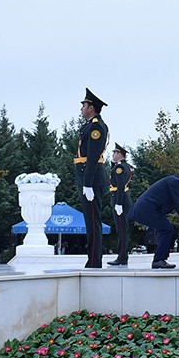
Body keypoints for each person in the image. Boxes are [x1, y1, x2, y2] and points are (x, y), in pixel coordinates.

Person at [128, 170, 179, 269]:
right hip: (146, 209)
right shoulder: (176, 182)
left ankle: (159, 259)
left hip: (148, 208)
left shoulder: (175, 182)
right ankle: (159, 260)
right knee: (167, 229)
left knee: (166, 229)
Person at [75, 88, 109, 268]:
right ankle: (92, 260)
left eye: (84, 105)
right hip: (87, 179)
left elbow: (93, 157)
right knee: (90, 221)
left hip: (93, 180)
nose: (81, 108)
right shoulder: (89, 126)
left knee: (94, 222)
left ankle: (95, 261)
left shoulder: (97, 127)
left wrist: (87, 183)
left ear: (91, 108)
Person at [107, 143, 134, 266]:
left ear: (119, 154)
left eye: (115, 153)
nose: (113, 155)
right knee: (122, 229)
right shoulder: (124, 166)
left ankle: (122, 257)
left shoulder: (120, 168)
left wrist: (118, 203)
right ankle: (122, 256)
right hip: (122, 199)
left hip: (120, 200)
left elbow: (120, 186)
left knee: (122, 230)